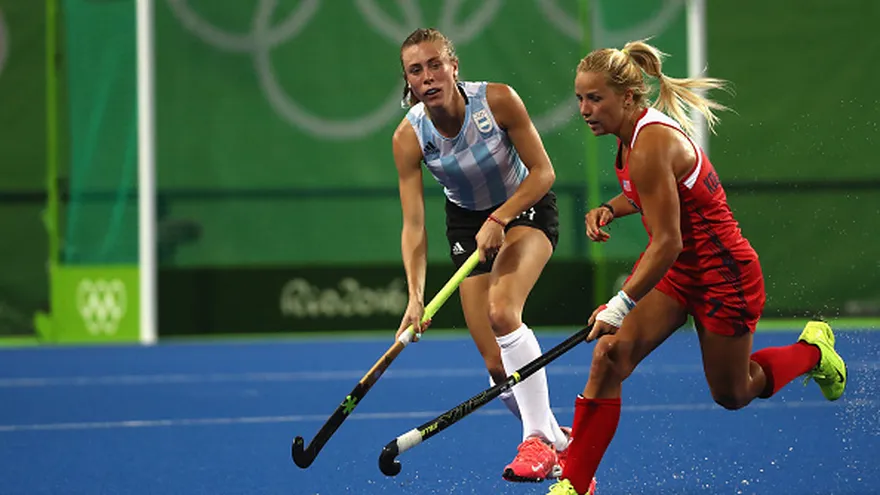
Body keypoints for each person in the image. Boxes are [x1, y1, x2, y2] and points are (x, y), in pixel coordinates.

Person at [545, 40, 847, 495]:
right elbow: (650, 193)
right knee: (609, 357)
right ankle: (574, 484)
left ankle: (814, 352)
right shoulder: (631, 140)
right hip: (682, 274)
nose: (585, 109)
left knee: (733, 393)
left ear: (627, 97)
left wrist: (620, 305)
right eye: (580, 99)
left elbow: (668, 241)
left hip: (724, 276)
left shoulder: (649, 143)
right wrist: (610, 207)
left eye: (595, 98)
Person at [391, 28, 594, 490]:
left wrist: (501, 217)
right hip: (467, 224)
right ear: (408, 82)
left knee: (503, 312)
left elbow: (544, 172)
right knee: (498, 367)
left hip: (524, 206)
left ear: (454, 66)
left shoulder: (497, 101)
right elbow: (415, 228)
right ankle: (563, 447)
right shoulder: (409, 138)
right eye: (416, 70)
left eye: (435, 64)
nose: (428, 76)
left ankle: (537, 439)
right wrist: (416, 297)